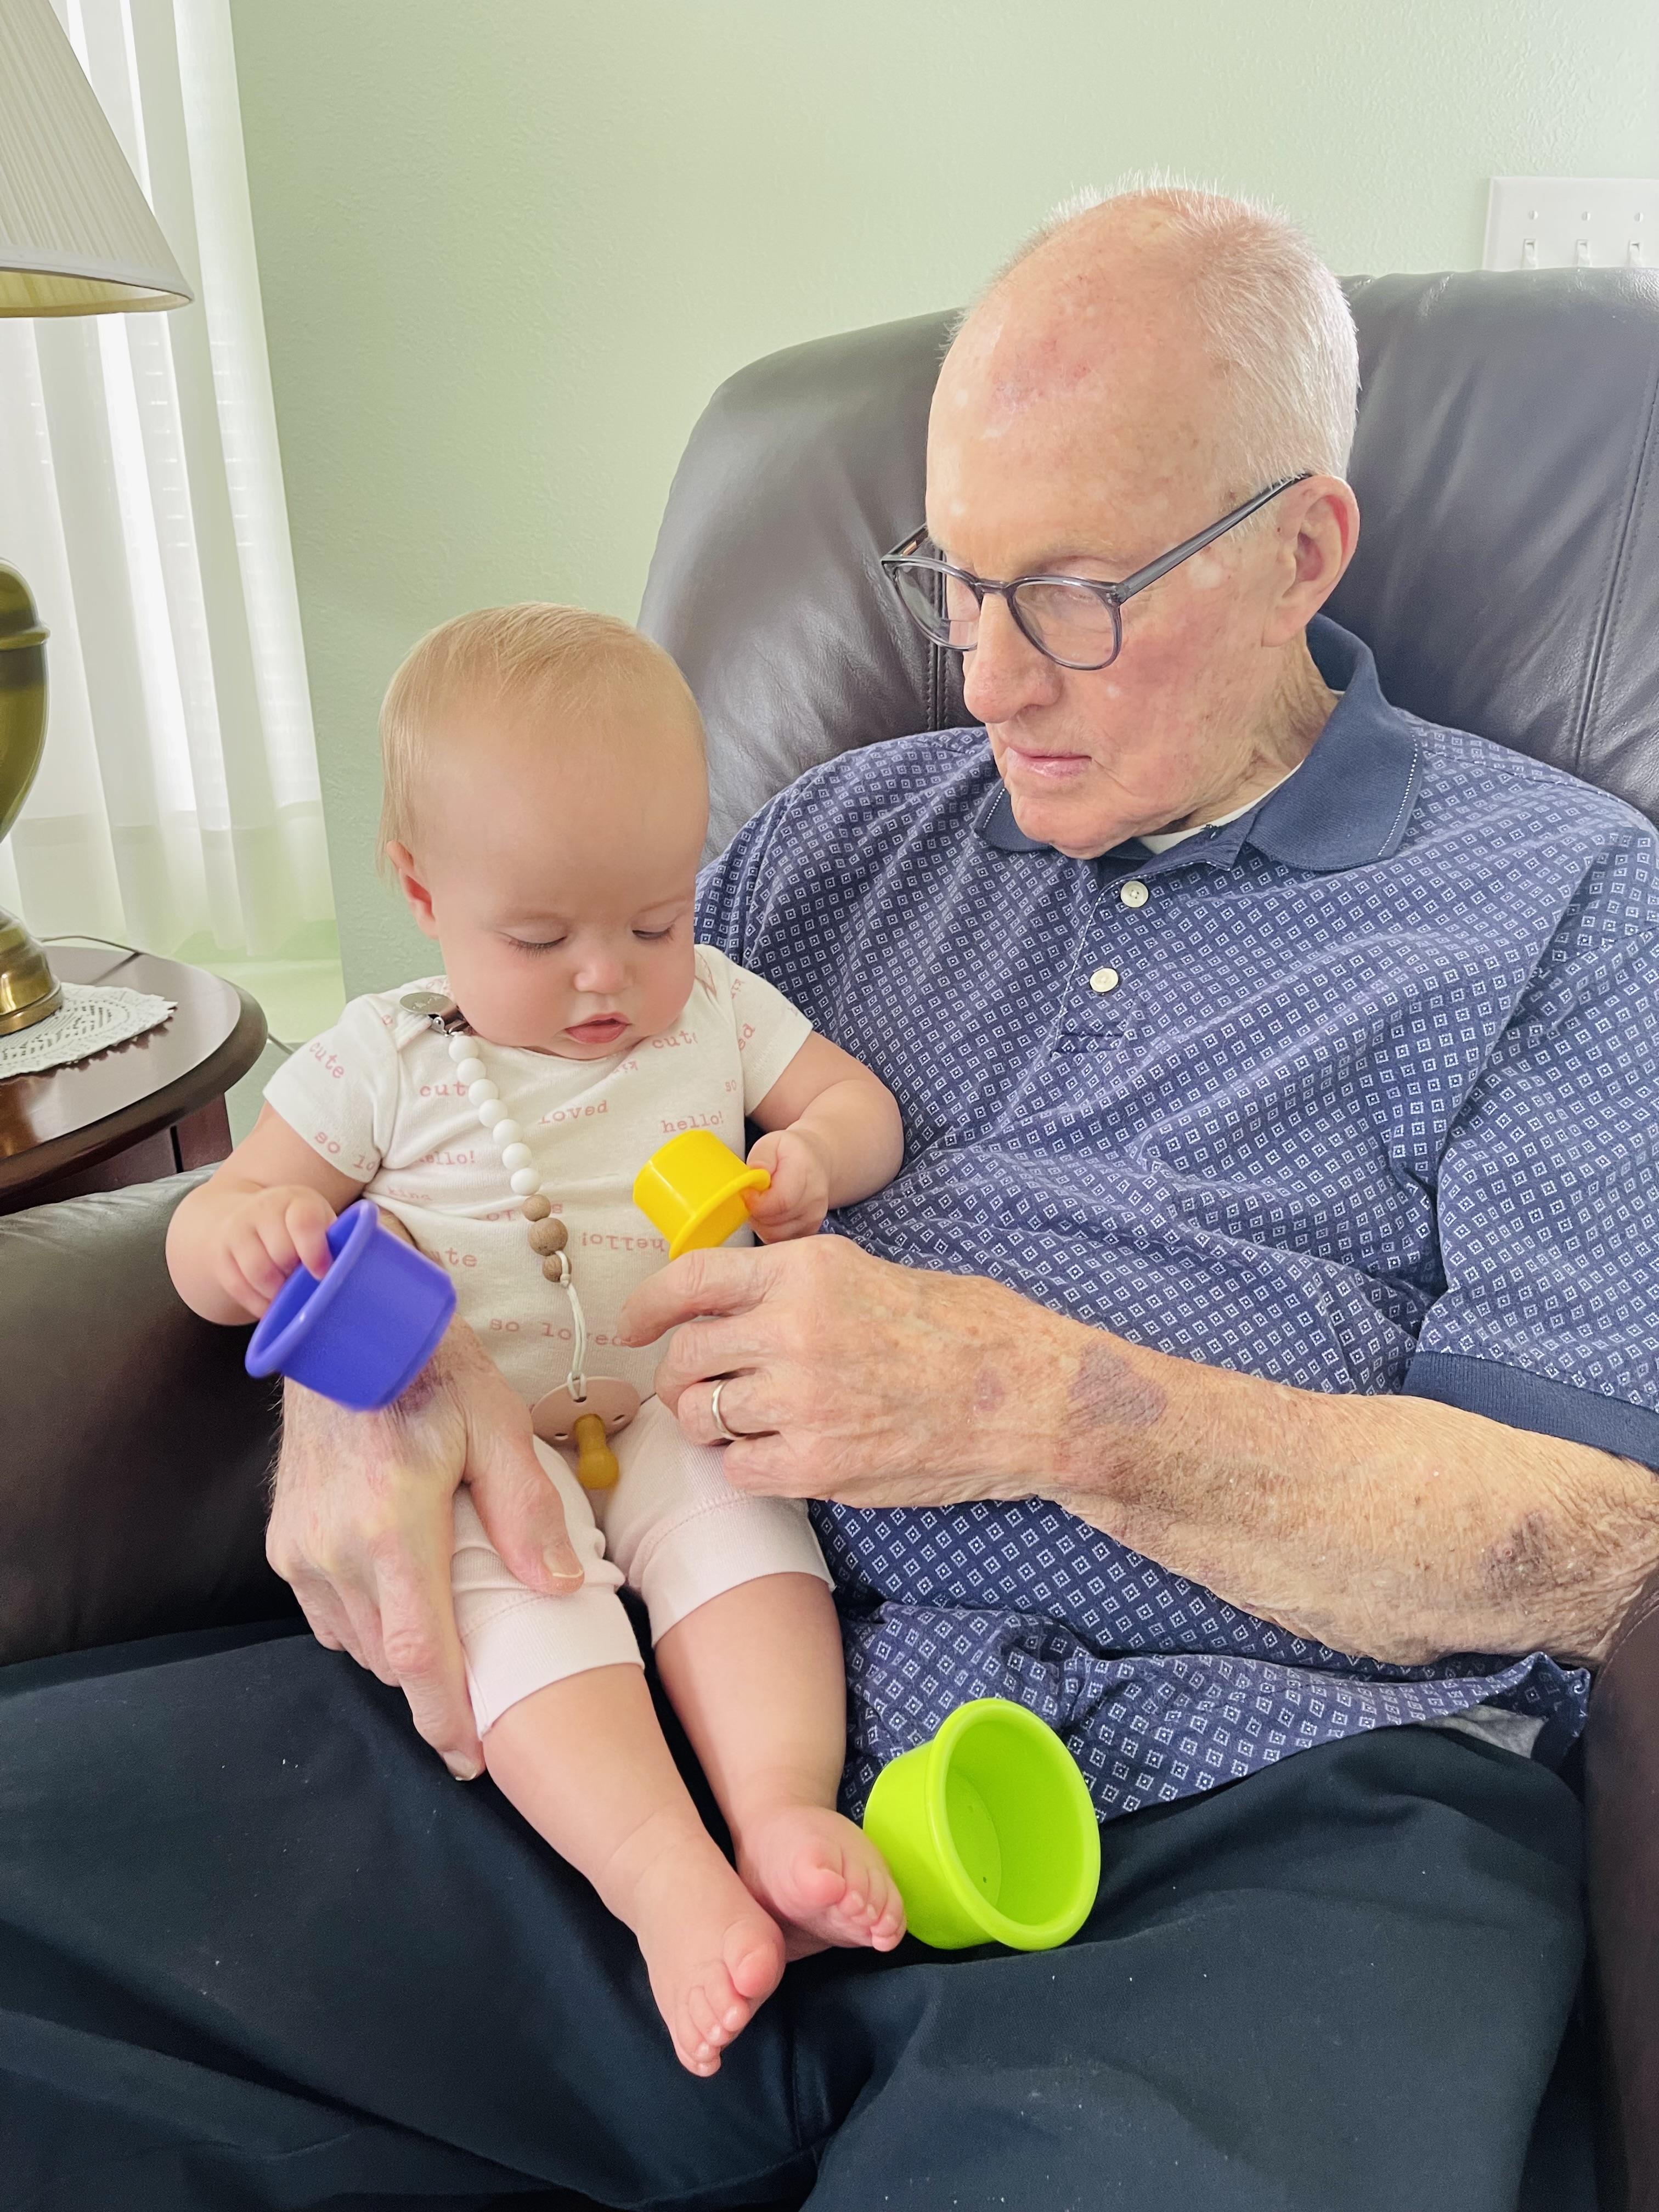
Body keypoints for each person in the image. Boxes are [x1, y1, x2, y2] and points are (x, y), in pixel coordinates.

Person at [4, 183, 1657, 2210]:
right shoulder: (830, 839)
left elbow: (1590, 1550)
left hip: (1261, 1819)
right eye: (951, 586)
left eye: (1066, 595)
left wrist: (1055, 1408)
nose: (982, 683)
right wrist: (368, 1379)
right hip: (648, 1723)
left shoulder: (1572, 909)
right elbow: (457, 1122)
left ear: (1302, 548)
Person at [164, 605, 906, 2074]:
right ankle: (663, 1881)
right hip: (475, 1438)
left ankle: (780, 1812)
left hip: (669, 1396)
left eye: (653, 921)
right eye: (540, 937)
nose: (605, 981)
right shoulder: (381, 1057)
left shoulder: (719, 1014)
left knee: (756, 1554)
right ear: (421, 894)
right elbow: (222, 1216)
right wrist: (242, 1240)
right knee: (520, 1609)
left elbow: (861, 1105)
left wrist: (815, 1154)